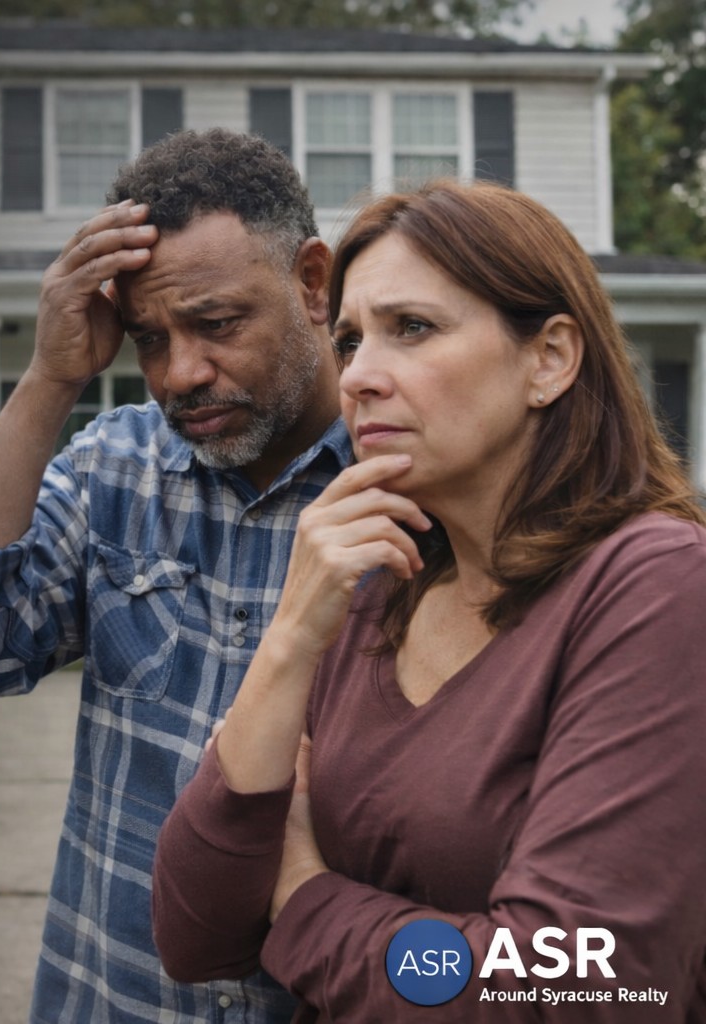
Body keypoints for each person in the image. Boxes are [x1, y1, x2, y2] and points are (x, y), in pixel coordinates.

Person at [152, 180, 706, 1021]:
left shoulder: (657, 588)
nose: (361, 378)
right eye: (347, 341)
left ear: (549, 359)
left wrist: (302, 894)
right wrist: (292, 638)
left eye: (412, 329)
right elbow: (194, 933)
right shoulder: (382, 582)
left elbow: (575, 991)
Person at [0, 127, 348, 1022]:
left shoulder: (408, 486)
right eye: (149, 338)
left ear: (313, 283)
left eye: (217, 324)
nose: (181, 374)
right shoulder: (116, 469)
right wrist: (52, 378)